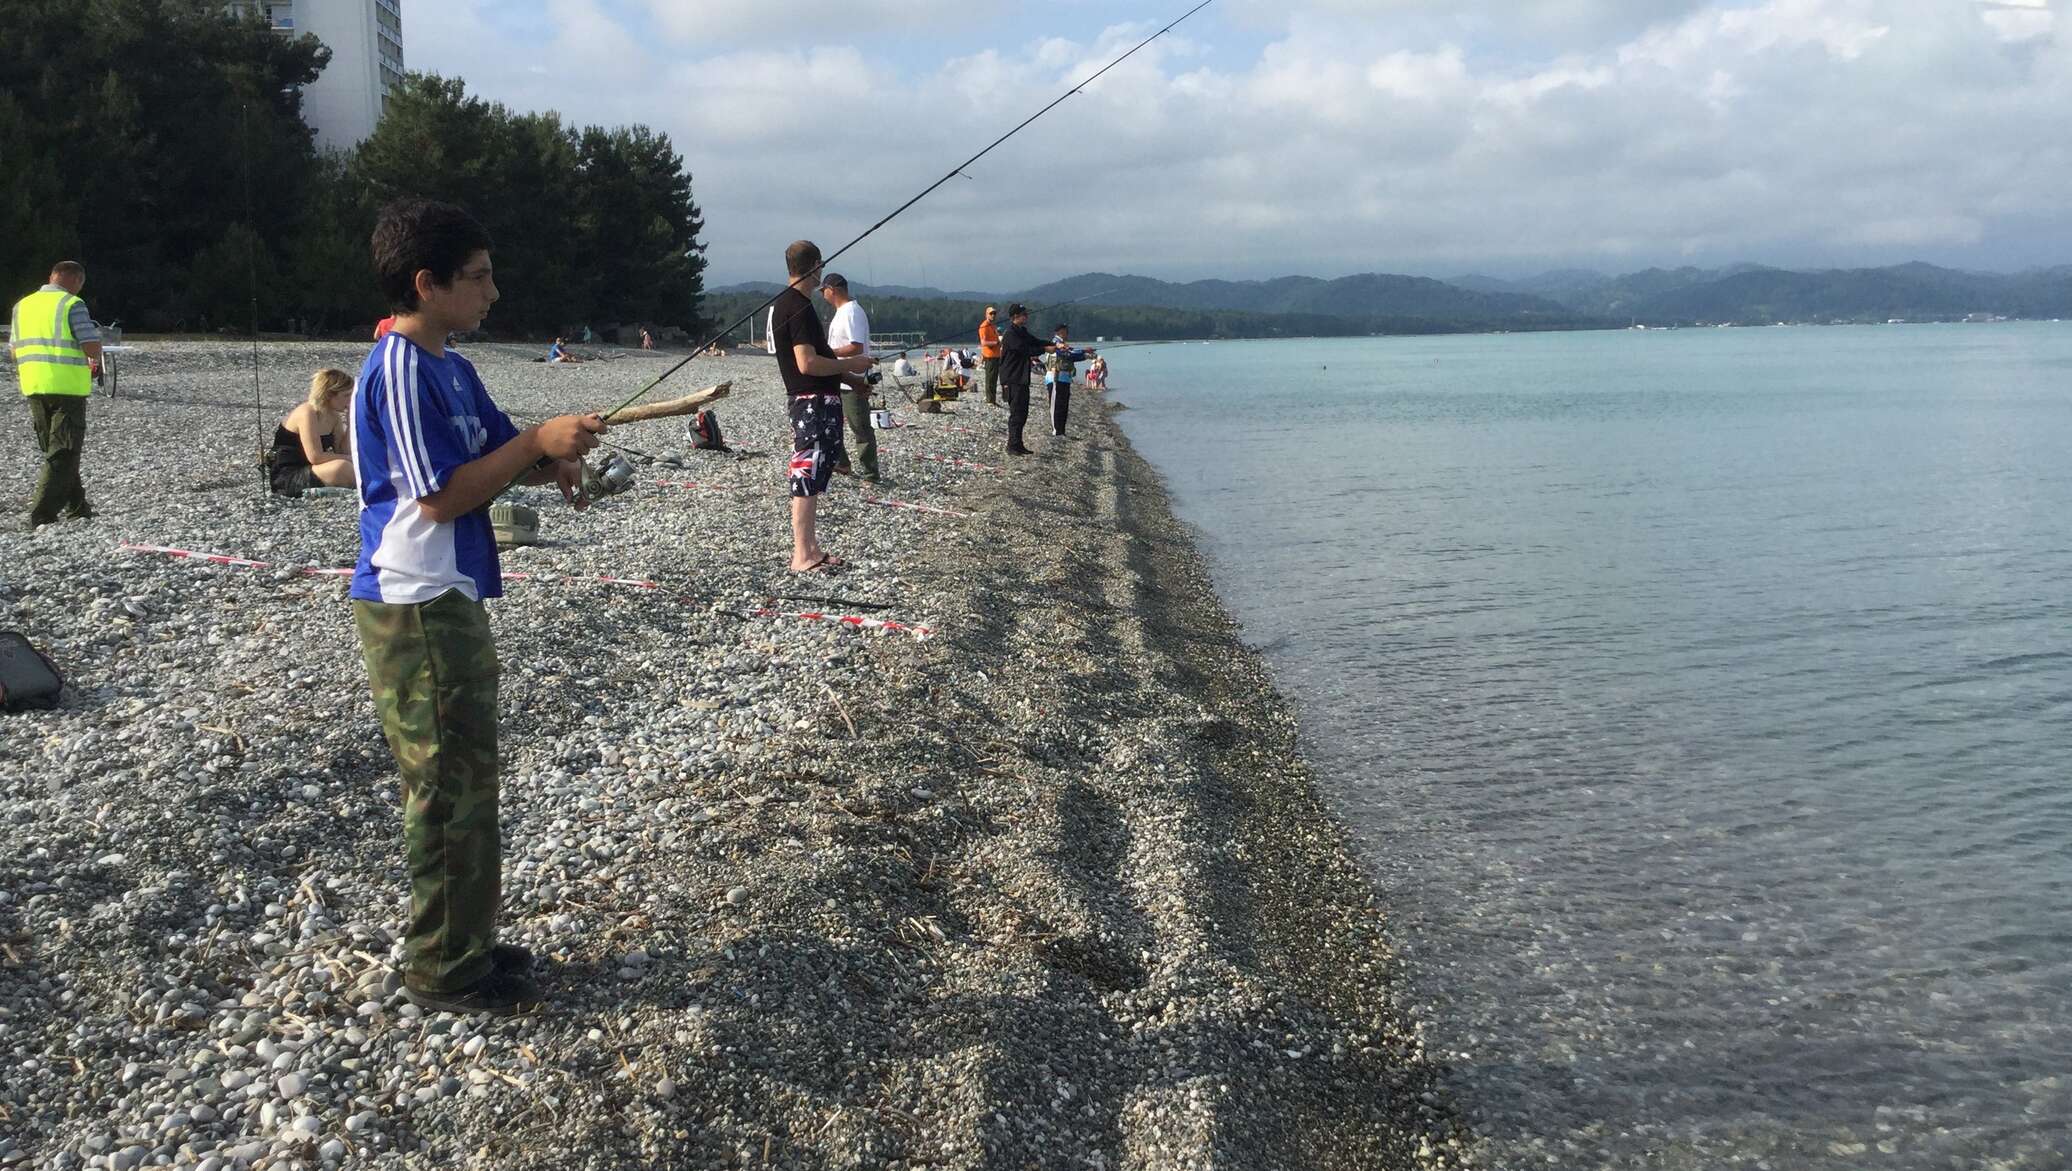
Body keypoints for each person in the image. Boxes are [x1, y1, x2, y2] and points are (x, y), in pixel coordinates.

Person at [350, 197, 604, 1016]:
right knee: (446, 784)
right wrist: (534, 445)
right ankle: (443, 966)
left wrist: (548, 458)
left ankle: (468, 940)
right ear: (427, 284)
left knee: (470, 777)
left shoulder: (454, 366)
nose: (493, 293)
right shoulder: (397, 370)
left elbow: (497, 454)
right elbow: (439, 498)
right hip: (414, 602)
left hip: (451, 598)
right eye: (479, 277)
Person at [770, 240, 872, 572]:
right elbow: (807, 363)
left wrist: (853, 380)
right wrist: (855, 361)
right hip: (809, 401)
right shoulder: (795, 306)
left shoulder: (794, 304)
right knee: (806, 471)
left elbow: (821, 356)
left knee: (815, 471)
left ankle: (811, 548)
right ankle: (803, 554)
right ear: (815, 266)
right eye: (820, 265)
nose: (822, 271)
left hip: (817, 399)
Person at [9, 261, 103, 526]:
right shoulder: (73, 305)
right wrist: (97, 348)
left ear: (51, 277)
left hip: (34, 385)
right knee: (64, 451)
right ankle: (42, 514)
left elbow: (14, 351)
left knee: (55, 451)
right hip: (67, 388)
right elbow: (91, 348)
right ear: (77, 281)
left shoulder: (22, 306)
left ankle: (78, 508)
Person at [819, 272, 881, 483]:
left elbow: (856, 347)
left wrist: (828, 353)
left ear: (832, 289)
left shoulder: (852, 312)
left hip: (854, 378)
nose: (821, 294)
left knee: (860, 426)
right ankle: (842, 463)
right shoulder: (841, 312)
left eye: (823, 290)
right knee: (831, 423)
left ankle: (871, 473)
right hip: (838, 376)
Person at [270, 368, 357, 496]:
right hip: (289, 476)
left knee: (352, 466)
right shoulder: (307, 412)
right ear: (329, 395)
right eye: (346, 396)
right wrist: (351, 459)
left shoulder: (334, 416)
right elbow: (315, 457)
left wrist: (350, 424)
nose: (350, 400)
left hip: (313, 470)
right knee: (343, 467)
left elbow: (342, 451)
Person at [997, 303, 1045, 456]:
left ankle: (1019, 444)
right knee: (1016, 414)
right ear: (1015, 316)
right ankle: (1011, 446)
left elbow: (1035, 342)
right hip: (1012, 379)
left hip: (1022, 378)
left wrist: (1054, 345)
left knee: (1023, 413)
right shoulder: (1010, 334)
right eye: (1024, 314)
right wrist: (1045, 350)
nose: (1026, 317)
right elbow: (1025, 350)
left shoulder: (1022, 332)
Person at [1044, 323, 1092, 437]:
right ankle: (1056, 431)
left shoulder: (1063, 344)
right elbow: (1067, 354)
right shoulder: (1055, 343)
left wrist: (1085, 355)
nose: (1067, 334)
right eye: (1066, 331)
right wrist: (1084, 351)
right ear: (1060, 332)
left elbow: (1071, 355)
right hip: (1056, 378)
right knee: (1056, 405)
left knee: (1063, 406)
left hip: (1065, 378)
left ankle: (1061, 431)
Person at [978, 305, 1003, 405]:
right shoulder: (983, 326)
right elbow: (983, 342)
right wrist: (996, 343)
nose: (993, 315)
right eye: (991, 313)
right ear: (986, 314)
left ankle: (993, 399)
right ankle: (989, 400)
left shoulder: (993, 326)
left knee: (994, 379)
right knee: (990, 379)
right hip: (989, 356)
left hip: (996, 356)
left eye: (994, 313)